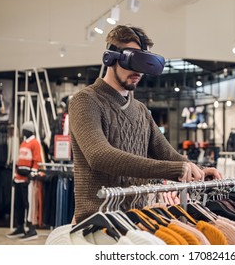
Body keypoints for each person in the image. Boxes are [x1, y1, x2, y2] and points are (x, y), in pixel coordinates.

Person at [69, 25, 222, 224]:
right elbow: (99, 156)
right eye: (133, 62)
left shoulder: (141, 110)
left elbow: (167, 154)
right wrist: (175, 170)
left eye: (144, 63)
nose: (138, 71)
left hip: (137, 220)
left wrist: (198, 170)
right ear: (110, 58)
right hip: (97, 222)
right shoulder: (86, 100)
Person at [6, 121, 42, 241]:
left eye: (24, 130)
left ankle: (32, 228)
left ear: (29, 131)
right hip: (19, 179)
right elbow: (20, 161)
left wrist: (32, 175)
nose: (22, 132)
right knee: (19, 204)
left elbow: (37, 161)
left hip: (28, 180)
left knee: (29, 205)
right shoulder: (23, 143)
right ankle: (20, 226)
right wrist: (15, 177)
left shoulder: (35, 143)